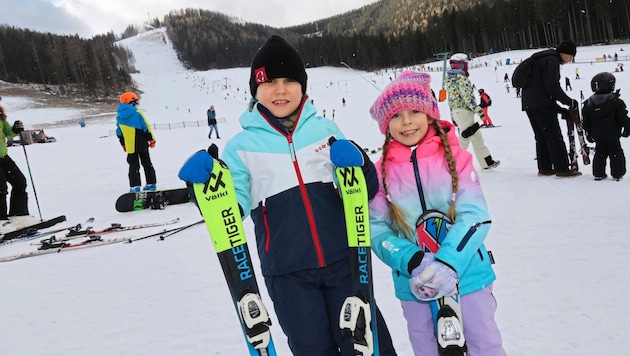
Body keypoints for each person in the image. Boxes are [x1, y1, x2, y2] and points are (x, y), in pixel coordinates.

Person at [178, 35, 396, 355]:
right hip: (287, 274)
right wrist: (207, 190)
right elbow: (231, 209)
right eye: (270, 82)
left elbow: (363, 191)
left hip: (345, 263)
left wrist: (361, 165)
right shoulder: (240, 148)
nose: (280, 89)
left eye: (289, 80)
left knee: (366, 344)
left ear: (303, 87)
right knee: (311, 349)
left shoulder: (326, 131)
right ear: (255, 90)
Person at [368, 70, 505, 356]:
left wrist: (448, 262)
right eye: (395, 115)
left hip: (467, 275)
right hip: (415, 284)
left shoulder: (457, 158)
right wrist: (412, 259)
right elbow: (377, 229)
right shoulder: (380, 173)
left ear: (430, 114)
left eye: (415, 111)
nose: (406, 122)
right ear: (385, 124)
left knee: (484, 345)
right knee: (427, 348)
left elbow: (474, 214)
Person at [521, 41, 581, 178]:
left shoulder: (541, 58)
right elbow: (551, 86)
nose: (570, 60)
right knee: (554, 136)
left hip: (530, 103)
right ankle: (562, 168)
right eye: (571, 56)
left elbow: (542, 86)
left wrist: (560, 108)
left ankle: (545, 168)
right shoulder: (552, 60)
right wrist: (569, 102)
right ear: (564, 53)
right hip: (541, 104)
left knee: (542, 136)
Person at [445, 53, 500, 170]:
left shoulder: (449, 80)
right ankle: (452, 165)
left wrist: (453, 116)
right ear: (461, 65)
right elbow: (468, 98)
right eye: (466, 64)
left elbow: (450, 100)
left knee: (477, 137)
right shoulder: (462, 79)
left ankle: (487, 161)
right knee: (464, 138)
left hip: (457, 111)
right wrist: (480, 113)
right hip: (465, 112)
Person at [582, 72, 630, 181]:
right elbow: (623, 116)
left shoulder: (588, 104)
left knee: (600, 152)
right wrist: (627, 126)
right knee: (616, 152)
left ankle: (598, 173)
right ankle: (617, 173)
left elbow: (586, 121)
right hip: (613, 133)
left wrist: (588, 133)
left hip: (598, 134)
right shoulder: (616, 102)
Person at [0, 97, 36, 233]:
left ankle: (18, 215)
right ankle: (1, 220)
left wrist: (15, 129)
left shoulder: (0, 117)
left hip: (3, 155)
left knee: (20, 181)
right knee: (0, 187)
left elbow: (8, 132)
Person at [115, 91, 157, 192]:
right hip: (141, 143)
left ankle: (135, 187)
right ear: (131, 101)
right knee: (147, 163)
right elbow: (145, 127)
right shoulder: (137, 113)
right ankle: (151, 184)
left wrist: (123, 144)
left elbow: (119, 132)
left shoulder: (119, 117)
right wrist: (151, 139)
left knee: (133, 166)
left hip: (130, 145)